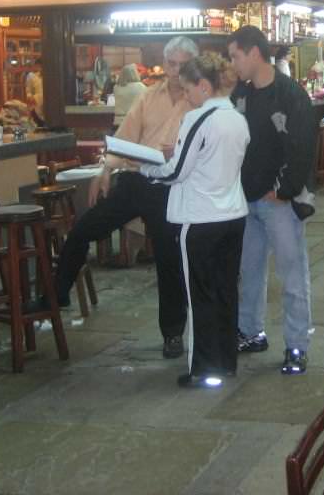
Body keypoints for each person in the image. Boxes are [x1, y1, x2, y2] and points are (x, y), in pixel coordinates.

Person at [26, 36, 198, 359]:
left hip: (170, 187)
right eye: (171, 64)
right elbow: (123, 140)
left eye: (182, 64)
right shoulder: (149, 95)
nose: (175, 71)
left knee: (168, 259)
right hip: (135, 179)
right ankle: (58, 294)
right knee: (84, 228)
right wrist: (104, 170)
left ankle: (173, 333)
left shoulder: (199, 99)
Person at [139, 55, 249, 389]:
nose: (186, 96)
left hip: (200, 219)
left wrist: (147, 168)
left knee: (199, 294)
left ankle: (203, 369)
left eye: (188, 88)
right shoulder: (236, 118)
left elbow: (176, 171)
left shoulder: (199, 118)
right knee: (226, 291)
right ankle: (226, 362)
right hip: (233, 215)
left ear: (203, 85)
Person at [229, 26, 317, 375]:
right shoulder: (241, 94)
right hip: (246, 200)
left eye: (235, 55)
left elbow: (302, 149)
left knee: (292, 276)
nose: (233, 63)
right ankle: (251, 332)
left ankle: (297, 345)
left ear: (253, 53)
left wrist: (282, 191)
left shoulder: (291, 95)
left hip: (278, 202)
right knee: (248, 272)